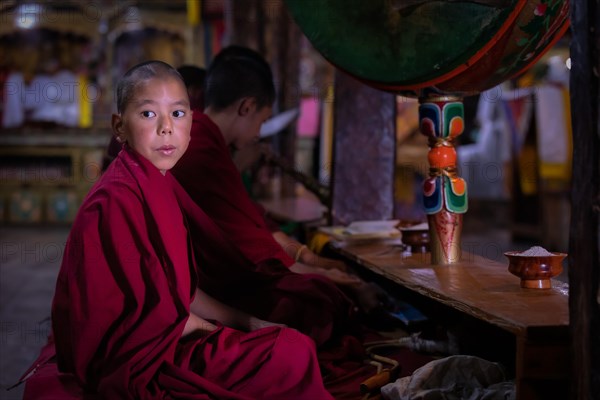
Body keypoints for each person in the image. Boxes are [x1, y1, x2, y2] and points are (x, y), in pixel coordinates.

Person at [19, 60, 333, 400]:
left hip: (167, 335)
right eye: (149, 114)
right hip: (138, 358)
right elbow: (140, 317)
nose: (166, 128)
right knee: (291, 352)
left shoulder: (159, 183)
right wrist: (214, 331)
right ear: (119, 127)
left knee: (292, 341)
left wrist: (249, 322)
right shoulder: (114, 200)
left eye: (179, 114)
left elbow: (181, 290)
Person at [172, 45, 390, 323]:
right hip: (203, 283)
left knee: (318, 289)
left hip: (206, 276)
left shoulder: (206, 138)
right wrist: (318, 272)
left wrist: (310, 262)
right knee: (318, 298)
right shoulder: (201, 145)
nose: (258, 134)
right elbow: (245, 244)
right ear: (247, 107)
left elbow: (248, 222)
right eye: (261, 121)